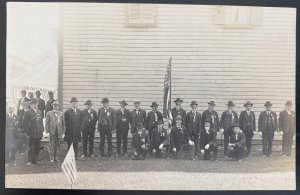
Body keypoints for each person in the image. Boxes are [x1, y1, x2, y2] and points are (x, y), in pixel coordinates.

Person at [23, 98, 44, 166]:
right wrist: (27, 132)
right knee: (31, 147)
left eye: (36, 103)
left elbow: (41, 122)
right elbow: (24, 123)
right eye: (33, 104)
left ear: (38, 104)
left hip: (38, 132)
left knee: (38, 147)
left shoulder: (40, 112)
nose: (35, 105)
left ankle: (34, 160)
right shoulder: (27, 112)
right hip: (31, 132)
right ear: (31, 105)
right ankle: (29, 160)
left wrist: (42, 130)